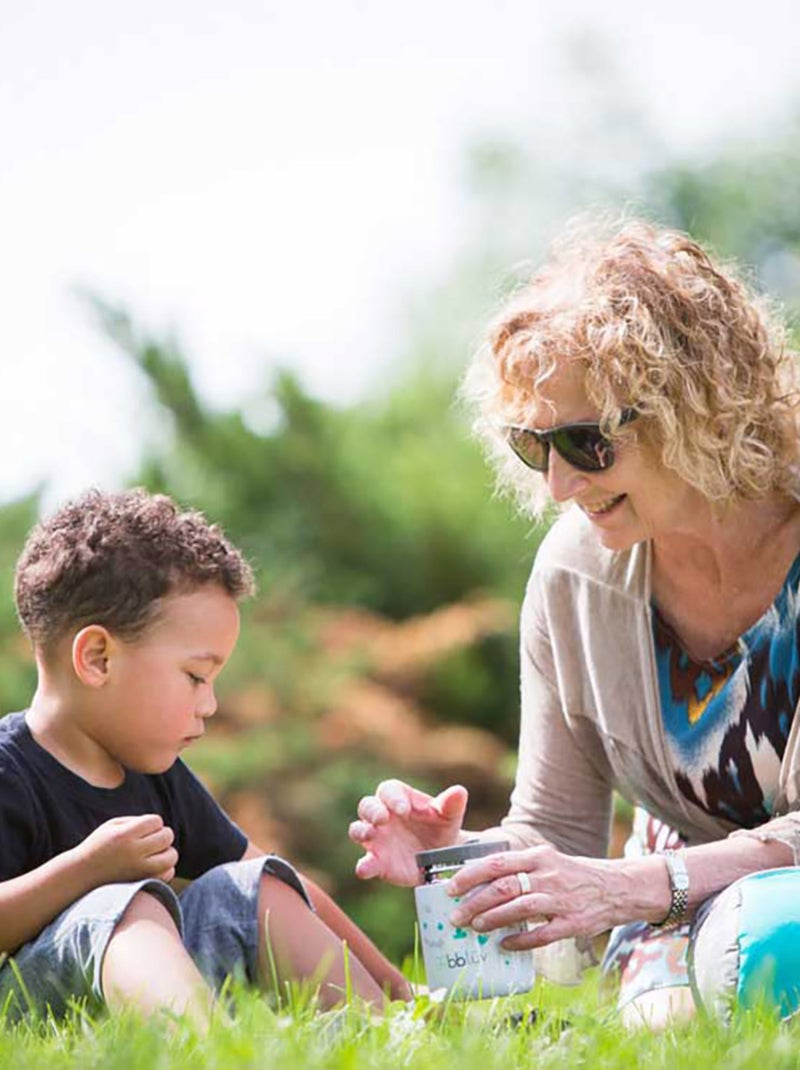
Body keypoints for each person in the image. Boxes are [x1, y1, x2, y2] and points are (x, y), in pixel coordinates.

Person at [349, 217, 800, 1028]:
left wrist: (635, 887)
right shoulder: (574, 575)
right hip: (678, 922)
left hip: (740, 916)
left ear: (695, 408)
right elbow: (557, 829)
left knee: (767, 942)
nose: (557, 483)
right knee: (674, 1018)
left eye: (586, 442)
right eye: (533, 446)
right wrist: (457, 867)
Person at [4, 488, 409, 1026]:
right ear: (98, 658)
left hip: (133, 1000)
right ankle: (211, 1050)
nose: (210, 705)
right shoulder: (11, 773)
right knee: (127, 903)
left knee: (253, 885)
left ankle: (384, 1031)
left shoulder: (160, 777)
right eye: (195, 677)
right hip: (24, 1008)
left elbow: (279, 881)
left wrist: (397, 985)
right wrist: (89, 869)